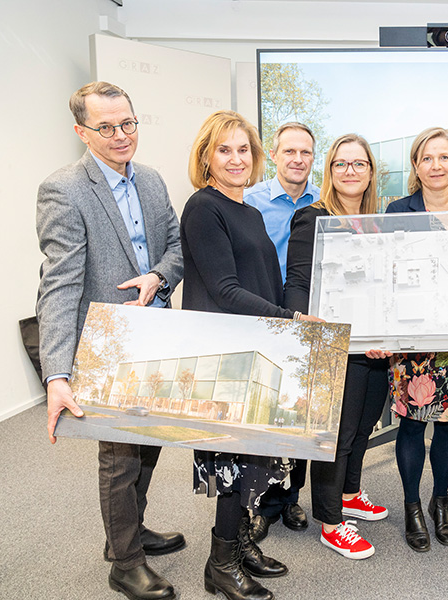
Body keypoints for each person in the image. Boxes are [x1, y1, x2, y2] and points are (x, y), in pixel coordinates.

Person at [36, 81, 185, 600]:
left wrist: (158, 277)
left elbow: (175, 245)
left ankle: (130, 532)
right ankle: (125, 562)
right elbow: (59, 284)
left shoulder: (151, 179)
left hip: (158, 329)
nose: (121, 135)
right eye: (106, 127)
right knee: (119, 456)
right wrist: (57, 372)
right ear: (82, 131)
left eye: (128, 123)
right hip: (108, 345)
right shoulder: (65, 189)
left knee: (149, 443)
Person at [181, 110, 320, 600]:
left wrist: (290, 314)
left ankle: (239, 546)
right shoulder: (204, 207)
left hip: (260, 347)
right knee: (232, 461)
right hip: (227, 354)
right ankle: (219, 564)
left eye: (243, 150)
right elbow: (223, 288)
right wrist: (288, 319)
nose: (236, 159)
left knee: (253, 456)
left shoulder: (250, 210)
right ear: (206, 157)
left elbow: (265, 280)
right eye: (225, 150)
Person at [283, 134, 390, 560]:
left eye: (359, 164)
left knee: (364, 427)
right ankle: (331, 522)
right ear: (330, 172)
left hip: (373, 345)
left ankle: (349, 493)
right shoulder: (312, 217)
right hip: (333, 344)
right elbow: (298, 282)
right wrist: (306, 332)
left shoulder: (378, 223)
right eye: (341, 164)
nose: (350, 171)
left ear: (369, 172)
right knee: (337, 436)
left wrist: (387, 335)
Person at [380, 127, 448, 553]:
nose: (436, 166)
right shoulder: (397, 209)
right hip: (413, 339)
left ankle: (439, 501)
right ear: (416, 166)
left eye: (444, 157)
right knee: (411, 422)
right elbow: (384, 271)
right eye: (427, 158)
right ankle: (411, 505)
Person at [244, 122, 320, 540]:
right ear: (274, 155)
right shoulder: (250, 201)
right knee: (266, 413)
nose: (297, 159)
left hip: (305, 320)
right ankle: (261, 502)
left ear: (313, 157)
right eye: (289, 151)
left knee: (302, 411)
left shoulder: (319, 204)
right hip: (264, 319)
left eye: (305, 152)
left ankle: (291, 498)